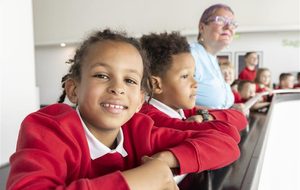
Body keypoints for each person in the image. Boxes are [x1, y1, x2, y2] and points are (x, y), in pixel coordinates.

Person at [7, 29, 240, 190]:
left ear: (140, 100)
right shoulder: (47, 128)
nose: (117, 88)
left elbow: (226, 142)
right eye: (101, 75)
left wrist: (164, 161)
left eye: (129, 80)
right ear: (73, 89)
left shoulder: (139, 129)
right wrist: (138, 180)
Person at [140, 31, 247, 134]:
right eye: (185, 76)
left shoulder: (181, 110)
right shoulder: (151, 120)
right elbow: (230, 132)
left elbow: (240, 118)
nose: (195, 83)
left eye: (193, 75)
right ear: (156, 84)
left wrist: (207, 117)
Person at [190, 4, 238, 109]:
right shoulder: (191, 54)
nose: (229, 27)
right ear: (202, 27)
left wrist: (233, 108)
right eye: (220, 20)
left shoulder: (213, 58)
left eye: (233, 23)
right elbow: (173, 103)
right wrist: (224, 115)